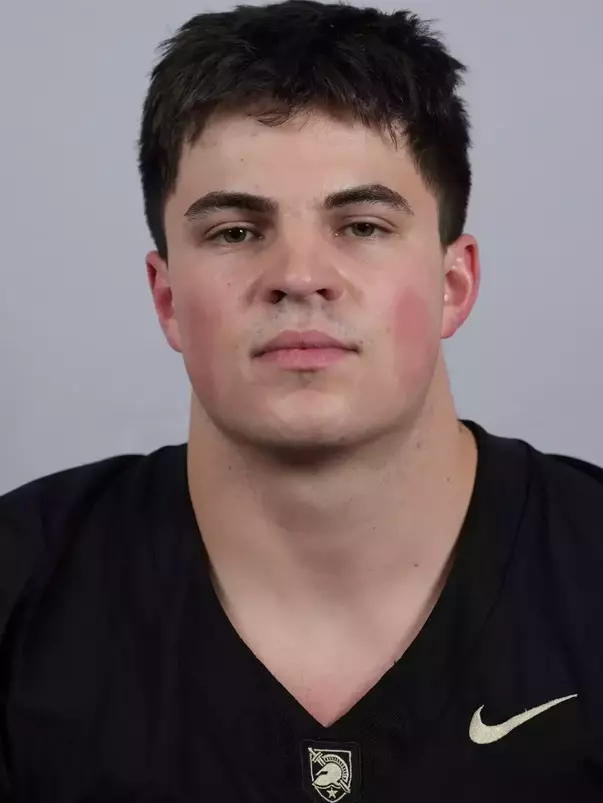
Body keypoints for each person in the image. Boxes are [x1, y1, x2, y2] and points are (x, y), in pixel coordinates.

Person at [1, 1, 602, 800]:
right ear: (168, 298)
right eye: (235, 232)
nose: (299, 274)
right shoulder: (21, 587)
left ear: (453, 284)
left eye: (360, 224)